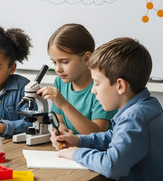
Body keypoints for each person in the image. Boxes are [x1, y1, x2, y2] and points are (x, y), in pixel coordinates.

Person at [56, 37, 163, 180]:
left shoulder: (134, 117)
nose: (93, 90)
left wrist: (76, 153)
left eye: (97, 83)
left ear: (120, 86)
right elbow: (115, 136)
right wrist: (79, 140)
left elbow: (111, 165)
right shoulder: (148, 105)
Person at [37, 24, 116, 134]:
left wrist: (64, 104)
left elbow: (97, 134)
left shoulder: (102, 86)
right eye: (54, 62)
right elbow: (60, 122)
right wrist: (62, 132)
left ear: (86, 58)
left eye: (64, 62)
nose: (57, 69)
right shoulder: (60, 82)